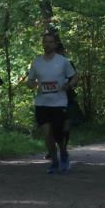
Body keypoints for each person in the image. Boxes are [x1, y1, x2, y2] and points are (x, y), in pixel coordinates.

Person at [26, 32, 78, 173]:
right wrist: (31, 84)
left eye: (50, 42)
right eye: (45, 42)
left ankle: (64, 153)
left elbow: (74, 77)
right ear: (42, 44)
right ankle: (54, 162)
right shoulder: (36, 62)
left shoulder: (63, 61)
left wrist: (68, 85)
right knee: (47, 134)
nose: (47, 44)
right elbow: (30, 80)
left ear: (55, 44)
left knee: (58, 134)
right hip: (42, 103)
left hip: (59, 103)